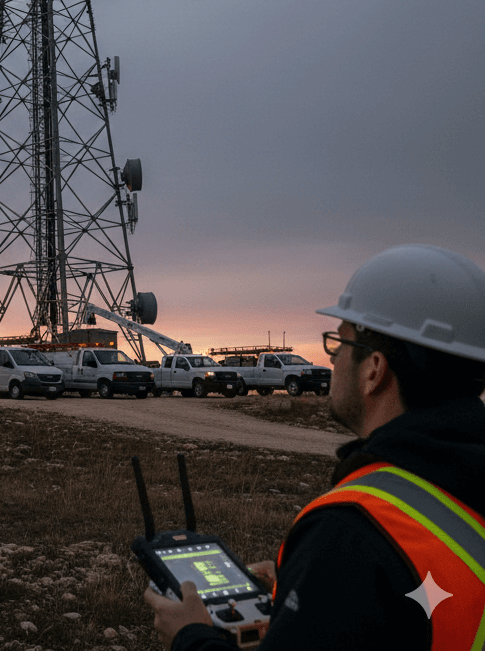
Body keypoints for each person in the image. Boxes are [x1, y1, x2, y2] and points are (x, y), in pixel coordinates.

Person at [144, 244, 485, 650]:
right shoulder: (459, 481)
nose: (334, 360)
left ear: (374, 369)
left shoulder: (351, 532)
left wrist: (192, 636)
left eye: (339, 345)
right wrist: (309, 588)